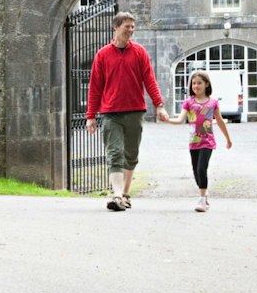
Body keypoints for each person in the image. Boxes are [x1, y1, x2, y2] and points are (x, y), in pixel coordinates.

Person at [85, 11, 167, 210]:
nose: (130, 30)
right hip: (111, 113)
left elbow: (150, 80)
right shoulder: (102, 55)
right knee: (115, 153)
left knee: (131, 155)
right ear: (116, 27)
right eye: (126, 27)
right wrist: (91, 116)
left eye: (132, 27)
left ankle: (125, 194)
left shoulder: (139, 52)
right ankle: (117, 195)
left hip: (135, 111)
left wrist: (159, 105)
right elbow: (95, 87)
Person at [166, 69, 232, 212]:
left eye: (199, 83)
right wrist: (168, 120)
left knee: (202, 168)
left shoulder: (213, 103)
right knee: (196, 172)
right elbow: (180, 119)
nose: (196, 86)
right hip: (193, 142)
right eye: (194, 83)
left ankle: (201, 200)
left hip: (207, 142)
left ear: (206, 84)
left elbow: (220, 121)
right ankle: (204, 194)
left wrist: (228, 139)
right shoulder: (188, 102)